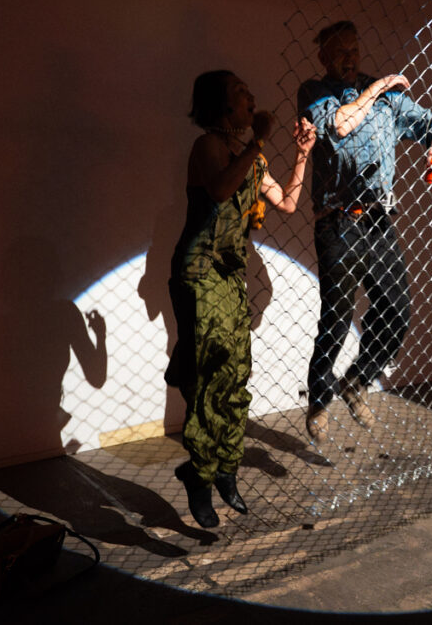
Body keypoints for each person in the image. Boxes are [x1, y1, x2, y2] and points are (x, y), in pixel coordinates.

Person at [168, 70, 316, 528]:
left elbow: (288, 203)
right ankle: (200, 473)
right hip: (200, 269)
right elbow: (218, 189)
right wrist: (259, 142)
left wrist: (302, 154)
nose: (251, 96)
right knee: (211, 376)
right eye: (240, 93)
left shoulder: (251, 157)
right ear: (220, 106)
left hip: (231, 275)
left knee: (236, 373)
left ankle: (226, 469)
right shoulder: (210, 147)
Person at [298, 21, 432, 439]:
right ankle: (318, 400)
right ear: (324, 58)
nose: (350, 59)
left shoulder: (388, 97)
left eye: (355, 49)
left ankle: (356, 381)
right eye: (341, 52)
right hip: (338, 223)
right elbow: (337, 126)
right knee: (335, 320)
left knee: (397, 311)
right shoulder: (315, 92)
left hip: (379, 221)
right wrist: (376, 89)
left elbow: (431, 120)